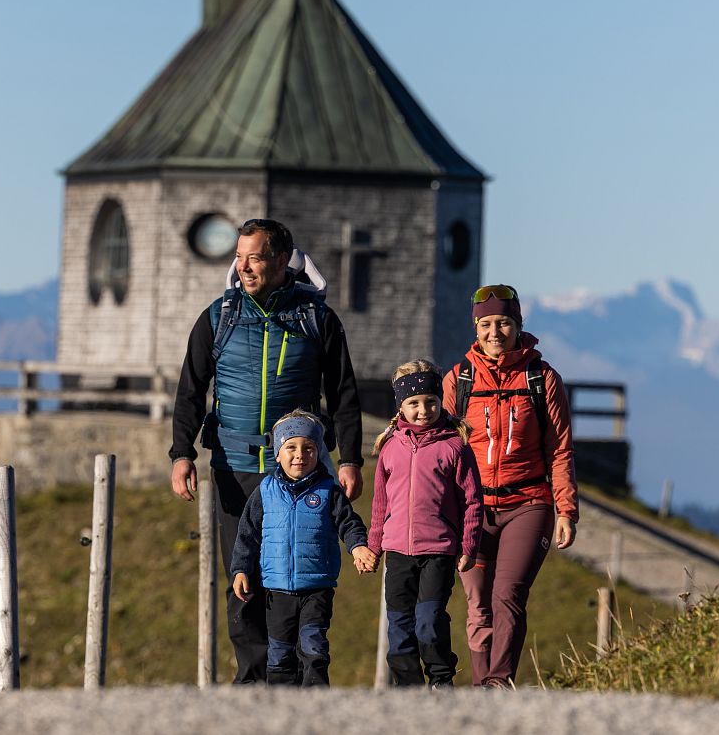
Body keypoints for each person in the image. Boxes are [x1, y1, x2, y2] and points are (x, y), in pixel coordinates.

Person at [169, 218, 365, 683]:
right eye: (239, 257)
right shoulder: (219, 317)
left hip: (300, 471)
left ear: (281, 260)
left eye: (254, 257)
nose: (243, 267)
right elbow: (190, 390)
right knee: (243, 578)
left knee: (296, 579)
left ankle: (297, 683)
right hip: (234, 468)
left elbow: (344, 394)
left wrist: (351, 459)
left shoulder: (316, 319)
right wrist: (181, 453)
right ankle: (253, 685)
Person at [442, 284, 578, 689]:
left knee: (507, 594)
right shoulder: (458, 380)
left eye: (503, 323)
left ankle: (499, 683)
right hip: (472, 511)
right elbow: (442, 450)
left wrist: (567, 511)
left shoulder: (542, 378)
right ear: (476, 328)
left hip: (529, 504)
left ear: (518, 325)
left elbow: (560, 449)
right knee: (478, 603)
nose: (494, 332)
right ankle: (482, 688)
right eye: (486, 324)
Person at [230, 411, 378, 685]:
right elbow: (247, 534)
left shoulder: (329, 491)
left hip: (316, 587)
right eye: (291, 447)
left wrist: (358, 547)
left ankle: (316, 700)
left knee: (313, 647)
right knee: (279, 654)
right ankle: (282, 704)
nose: (300, 455)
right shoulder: (265, 491)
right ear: (277, 454)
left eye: (308, 448)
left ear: (318, 452)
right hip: (276, 590)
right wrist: (240, 570)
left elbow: (348, 523)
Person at [368, 359, 483, 688]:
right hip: (397, 552)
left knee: (429, 622)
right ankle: (408, 691)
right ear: (401, 407)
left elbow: (472, 501)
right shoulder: (390, 447)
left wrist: (468, 546)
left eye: (430, 402)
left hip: (439, 551)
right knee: (399, 627)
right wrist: (374, 546)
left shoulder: (455, 446)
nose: (423, 410)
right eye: (414, 403)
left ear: (440, 401)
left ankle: (441, 681)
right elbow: (380, 503)